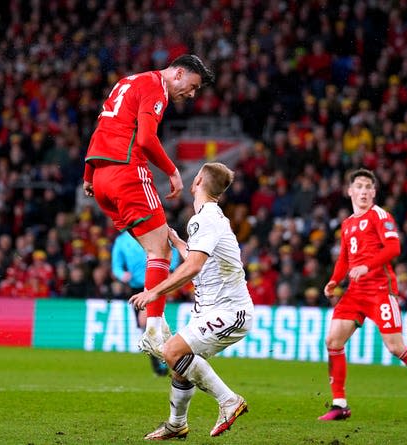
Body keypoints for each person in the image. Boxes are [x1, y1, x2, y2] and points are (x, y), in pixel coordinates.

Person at [83, 54, 214, 358]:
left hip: (101, 177)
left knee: (156, 242)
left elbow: (102, 127)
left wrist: (89, 174)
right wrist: (172, 170)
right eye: (192, 86)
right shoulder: (156, 86)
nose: (191, 94)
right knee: (160, 252)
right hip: (127, 171)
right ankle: (153, 328)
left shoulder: (126, 82)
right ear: (178, 73)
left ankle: (153, 324)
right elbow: (144, 138)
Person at [129, 162, 253, 439]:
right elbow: (199, 260)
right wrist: (177, 241)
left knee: (173, 352)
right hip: (213, 310)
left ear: (197, 180)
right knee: (181, 365)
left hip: (229, 311)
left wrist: (155, 291)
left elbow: (195, 267)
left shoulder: (204, 219)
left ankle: (229, 400)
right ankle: (176, 424)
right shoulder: (212, 218)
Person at [319, 168, 407, 425]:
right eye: (359, 186)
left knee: (395, 347)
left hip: (380, 290)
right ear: (350, 192)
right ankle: (339, 404)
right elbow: (344, 259)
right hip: (356, 292)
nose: (364, 191)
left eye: (369, 187)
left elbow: (394, 247)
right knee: (333, 341)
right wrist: (335, 280)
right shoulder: (347, 225)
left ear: (374, 192)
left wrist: (367, 266)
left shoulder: (380, 216)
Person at [111, 231, 182, 376]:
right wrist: (122, 274)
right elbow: (116, 265)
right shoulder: (121, 241)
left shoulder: (150, 232)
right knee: (149, 324)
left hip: (156, 284)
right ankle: (166, 358)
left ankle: (164, 360)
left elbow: (171, 250)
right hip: (135, 287)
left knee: (145, 321)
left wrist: (171, 268)